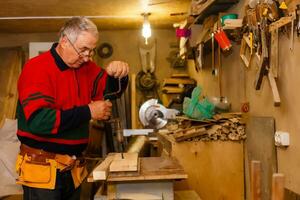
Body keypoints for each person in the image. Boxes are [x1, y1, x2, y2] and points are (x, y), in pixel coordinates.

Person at [15, 16, 129, 200]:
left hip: (73, 169)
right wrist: (89, 111)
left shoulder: (86, 67)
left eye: (91, 51)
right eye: (83, 50)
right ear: (64, 41)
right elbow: (39, 121)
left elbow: (111, 92)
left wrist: (118, 74)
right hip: (42, 170)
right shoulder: (36, 69)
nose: (87, 57)